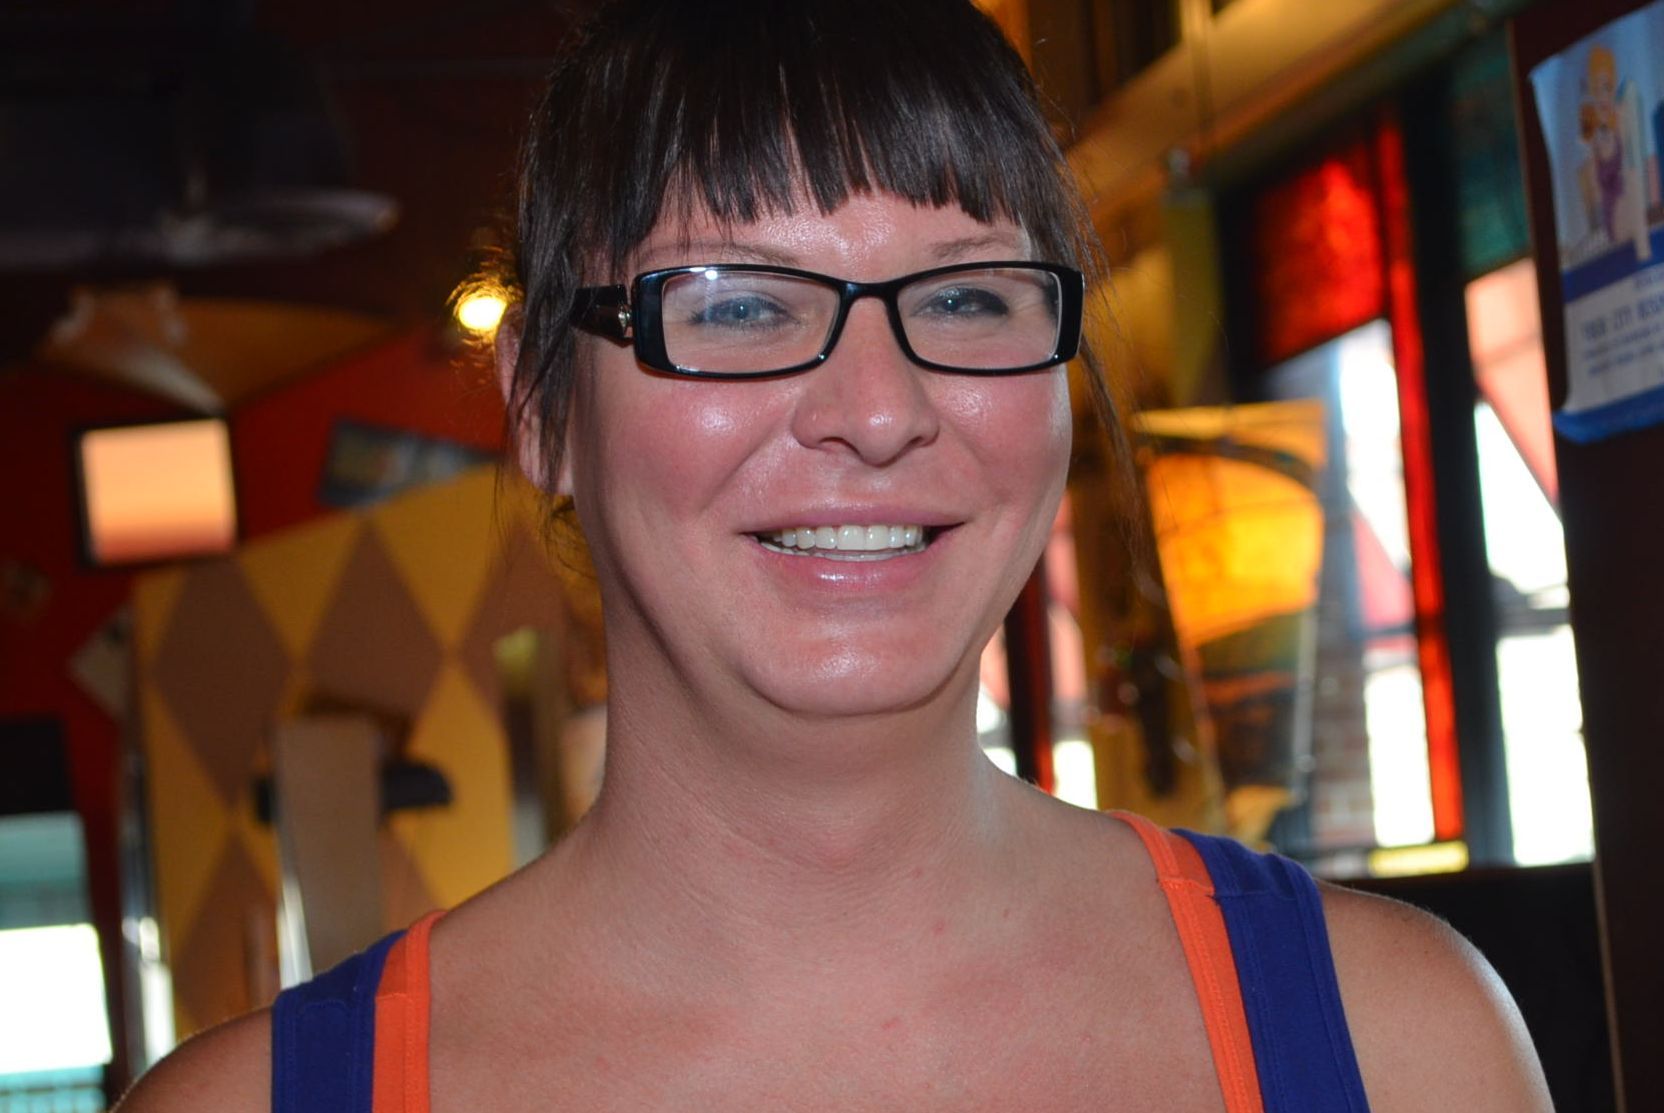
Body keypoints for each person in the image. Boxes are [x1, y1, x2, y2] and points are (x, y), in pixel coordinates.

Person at [119, 2, 1553, 1110]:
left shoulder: (1400, 1042)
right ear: (545, 411)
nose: (876, 409)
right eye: (738, 305)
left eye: (969, 296)